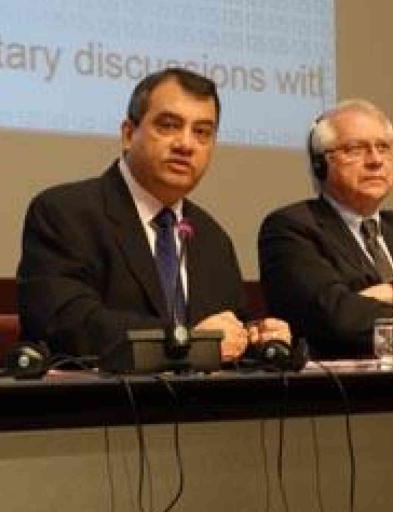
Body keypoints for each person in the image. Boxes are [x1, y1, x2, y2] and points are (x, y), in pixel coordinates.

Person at [17, 67, 290, 370]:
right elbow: (67, 323)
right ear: (128, 134)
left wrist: (258, 338)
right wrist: (189, 342)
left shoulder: (211, 237)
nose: (186, 145)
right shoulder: (66, 213)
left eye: (202, 132)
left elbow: (227, 332)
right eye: (169, 126)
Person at [258, 99, 393, 359]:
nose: (376, 160)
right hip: (354, 382)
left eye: (383, 147)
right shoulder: (291, 228)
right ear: (320, 164)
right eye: (355, 149)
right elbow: (339, 317)